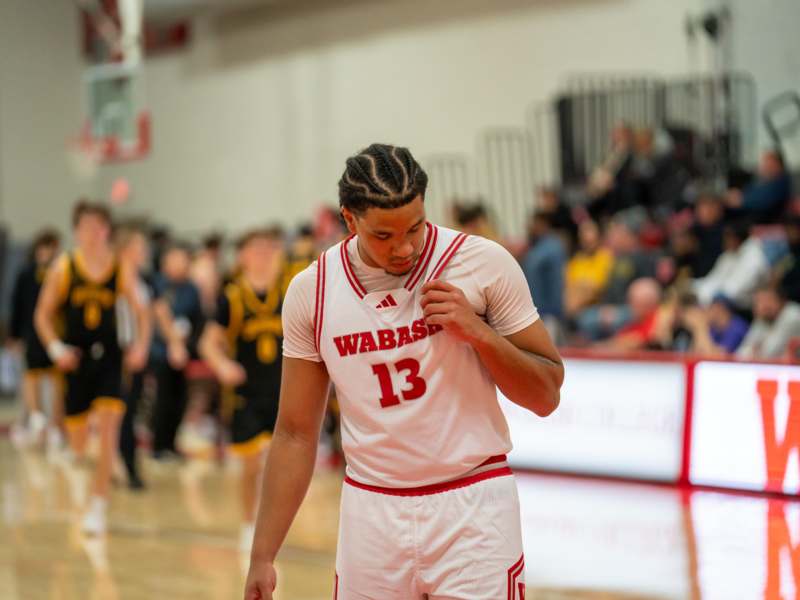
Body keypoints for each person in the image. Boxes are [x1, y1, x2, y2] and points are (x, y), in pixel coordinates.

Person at [244, 143, 564, 600]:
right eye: (384, 235)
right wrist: (263, 554)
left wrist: (478, 333)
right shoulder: (310, 292)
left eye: (414, 227)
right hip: (371, 512)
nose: (405, 247)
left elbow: (546, 393)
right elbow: (295, 432)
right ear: (349, 221)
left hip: (472, 503)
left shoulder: (482, 262)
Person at [34, 201, 150, 534]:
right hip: (75, 359)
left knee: (111, 423)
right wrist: (56, 349)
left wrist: (140, 345)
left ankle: (98, 506)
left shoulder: (118, 267)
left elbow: (143, 312)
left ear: (106, 231)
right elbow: (41, 315)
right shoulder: (65, 267)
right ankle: (79, 463)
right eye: (86, 226)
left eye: (99, 226)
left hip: (110, 358)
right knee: (80, 441)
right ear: (77, 231)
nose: (92, 232)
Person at [199, 228, 287, 552]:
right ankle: (249, 523)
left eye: (269, 248)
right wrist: (222, 366)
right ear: (243, 256)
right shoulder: (232, 297)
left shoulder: (288, 290)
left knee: (280, 467)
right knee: (251, 466)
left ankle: (273, 525)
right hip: (246, 394)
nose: (264, 254)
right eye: (257, 249)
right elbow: (208, 342)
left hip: (282, 390)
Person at [8, 229, 63, 451]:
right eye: (46, 246)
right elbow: (17, 305)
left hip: (54, 335)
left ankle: (54, 425)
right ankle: (36, 418)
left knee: (58, 380)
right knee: (31, 376)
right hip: (31, 333)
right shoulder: (26, 273)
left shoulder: (61, 272)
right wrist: (14, 335)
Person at [151, 242, 203, 460]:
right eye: (177, 260)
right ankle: (158, 446)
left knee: (179, 399)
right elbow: (157, 316)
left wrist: (187, 342)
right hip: (161, 352)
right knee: (162, 399)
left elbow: (198, 319)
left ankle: (172, 443)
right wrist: (173, 343)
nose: (182, 264)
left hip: (184, 352)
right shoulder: (159, 285)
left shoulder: (191, 288)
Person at [114, 223, 153, 489]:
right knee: (123, 413)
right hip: (122, 350)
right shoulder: (118, 276)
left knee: (131, 412)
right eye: (140, 246)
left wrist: (143, 346)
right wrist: (134, 347)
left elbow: (147, 317)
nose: (145, 251)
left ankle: (125, 465)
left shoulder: (139, 279)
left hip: (136, 350)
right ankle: (127, 468)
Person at [522, 212, 566, 341]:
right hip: (535, 311)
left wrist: (556, 311)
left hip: (548, 312)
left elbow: (557, 282)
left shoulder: (552, 248)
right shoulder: (535, 248)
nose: (529, 227)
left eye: (533, 223)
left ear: (542, 224)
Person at [737, 286, 800, 360]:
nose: (763, 306)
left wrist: (756, 351)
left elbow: (770, 353)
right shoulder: (764, 317)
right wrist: (752, 352)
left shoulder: (793, 316)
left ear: (781, 301)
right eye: (759, 301)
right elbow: (741, 352)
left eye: (768, 300)